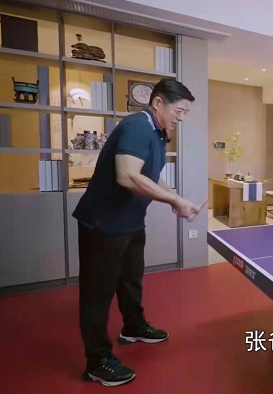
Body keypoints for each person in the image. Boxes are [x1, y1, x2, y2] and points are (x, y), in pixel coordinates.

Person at [72, 78, 206, 386]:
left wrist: (173, 195)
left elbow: (149, 175)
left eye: (185, 113)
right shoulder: (138, 126)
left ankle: (133, 326)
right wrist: (174, 201)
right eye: (179, 111)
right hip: (103, 224)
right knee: (97, 294)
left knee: (130, 280)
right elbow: (127, 175)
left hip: (130, 222)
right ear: (158, 103)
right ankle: (97, 362)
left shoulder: (158, 133)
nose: (181, 118)